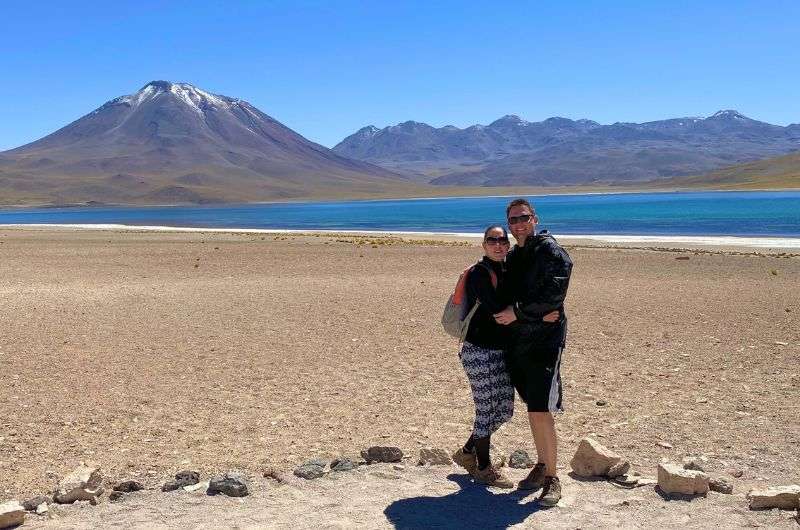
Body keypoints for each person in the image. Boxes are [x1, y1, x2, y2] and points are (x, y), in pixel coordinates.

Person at [494, 198, 573, 506]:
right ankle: (542, 465)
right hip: (520, 342)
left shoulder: (551, 252)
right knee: (534, 408)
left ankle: (553, 478)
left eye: (523, 217)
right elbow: (511, 293)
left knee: (541, 408)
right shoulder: (515, 255)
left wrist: (521, 314)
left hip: (545, 343)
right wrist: (532, 315)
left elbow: (553, 295)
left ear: (535, 218)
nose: (518, 224)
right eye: (513, 220)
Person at [450, 225, 516, 488]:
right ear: (484, 244)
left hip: (500, 351)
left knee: (504, 410)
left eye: (503, 240)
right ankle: (483, 467)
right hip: (479, 350)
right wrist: (523, 310)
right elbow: (497, 310)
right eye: (492, 240)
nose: (498, 244)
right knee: (486, 410)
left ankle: (467, 451)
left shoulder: (507, 269)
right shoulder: (480, 272)